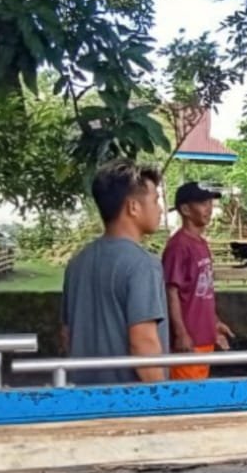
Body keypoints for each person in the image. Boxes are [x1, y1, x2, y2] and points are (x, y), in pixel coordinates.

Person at [60, 160, 169, 386]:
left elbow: (67, 335)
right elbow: (143, 342)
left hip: (86, 395)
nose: (160, 209)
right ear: (133, 207)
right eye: (156, 200)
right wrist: (162, 399)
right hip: (131, 401)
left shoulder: (77, 263)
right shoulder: (143, 265)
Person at [161, 180, 234, 380]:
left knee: (199, 391)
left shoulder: (201, 244)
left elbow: (202, 291)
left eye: (210, 203)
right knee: (186, 398)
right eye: (203, 203)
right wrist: (181, 333)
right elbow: (171, 291)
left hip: (204, 338)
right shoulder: (178, 247)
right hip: (188, 341)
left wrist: (215, 323)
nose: (209, 209)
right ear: (185, 209)